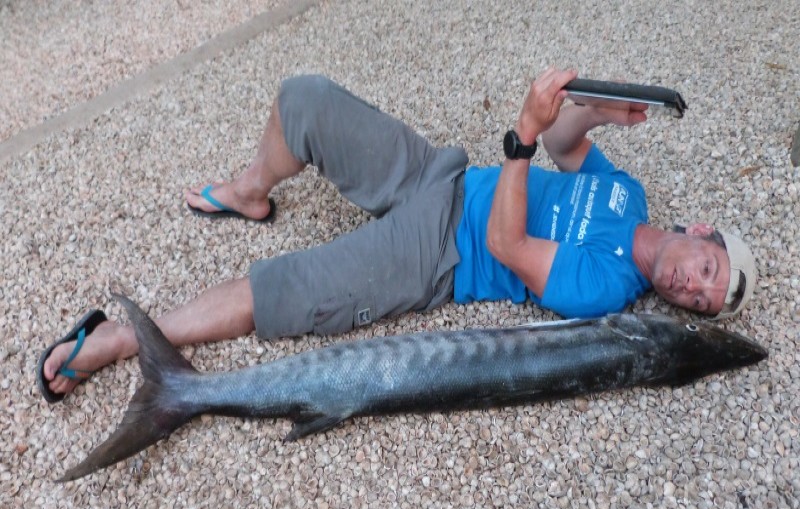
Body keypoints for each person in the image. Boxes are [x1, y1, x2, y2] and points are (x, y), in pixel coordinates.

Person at [38, 68, 756, 402]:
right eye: (707, 270)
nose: (691, 286)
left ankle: (126, 339)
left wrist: (522, 136)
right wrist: (593, 110)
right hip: (440, 178)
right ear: (700, 234)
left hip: (437, 255)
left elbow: (506, 246)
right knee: (306, 99)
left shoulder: (607, 290)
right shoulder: (627, 194)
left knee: (283, 291)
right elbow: (570, 150)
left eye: (698, 300)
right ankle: (248, 192)